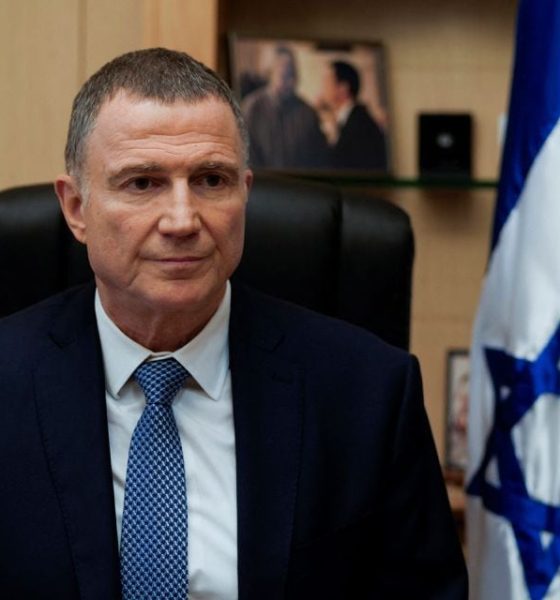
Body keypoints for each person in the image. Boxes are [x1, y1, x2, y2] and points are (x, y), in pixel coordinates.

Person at [0, 48, 467, 599]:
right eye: (142, 183)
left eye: (211, 180)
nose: (182, 220)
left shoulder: (368, 394)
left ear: (245, 191)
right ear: (76, 207)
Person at [242, 46, 329, 169]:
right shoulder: (252, 107)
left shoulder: (307, 113)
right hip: (260, 184)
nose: (291, 81)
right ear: (271, 74)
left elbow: (318, 157)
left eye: (293, 75)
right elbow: (245, 154)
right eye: (285, 75)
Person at [318, 60, 388, 171]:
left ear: (343, 88)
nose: (322, 88)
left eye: (327, 82)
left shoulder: (361, 125)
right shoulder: (342, 122)